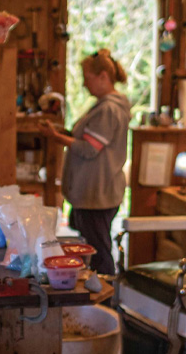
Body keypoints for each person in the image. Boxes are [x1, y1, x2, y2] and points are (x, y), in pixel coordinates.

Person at [41, 49, 132, 275]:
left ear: (103, 77)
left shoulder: (108, 109)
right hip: (96, 192)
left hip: (97, 193)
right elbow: (88, 140)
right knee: (94, 247)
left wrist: (56, 137)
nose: (84, 84)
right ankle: (98, 289)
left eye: (87, 78)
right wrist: (63, 133)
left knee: (99, 253)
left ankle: (106, 293)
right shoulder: (104, 106)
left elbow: (90, 149)